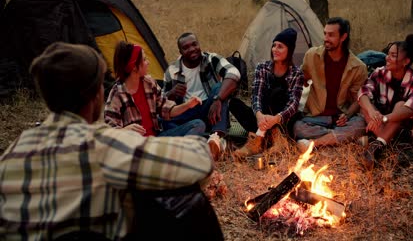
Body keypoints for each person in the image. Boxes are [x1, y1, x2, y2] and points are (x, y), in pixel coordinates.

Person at [0, 42, 219, 240]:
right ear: (95, 94)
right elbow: (200, 160)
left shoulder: (10, 155)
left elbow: (165, 109)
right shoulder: (103, 144)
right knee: (184, 200)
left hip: (154, 135)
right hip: (144, 145)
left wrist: (187, 106)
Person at [163, 32, 241, 160]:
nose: (192, 49)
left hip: (209, 109)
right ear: (180, 51)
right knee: (165, 122)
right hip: (186, 114)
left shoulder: (211, 59)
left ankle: (215, 137)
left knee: (219, 87)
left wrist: (218, 99)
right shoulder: (172, 70)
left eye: (194, 44)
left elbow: (234, 73)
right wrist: (171, 94)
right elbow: (161, 103)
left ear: (199, 44)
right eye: (186, 47)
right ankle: (213, 143)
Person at [294, 17, 368, 149]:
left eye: (331, 35)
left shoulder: (358, 67)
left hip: (340, 118)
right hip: (316, 117)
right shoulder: (312, 56)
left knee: (360, 123)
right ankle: (345, 139)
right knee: (297, 127)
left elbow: (358, 99)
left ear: (343, 37)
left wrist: (347, 115)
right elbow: (301, 81)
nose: (326, 38)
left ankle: (314, 143)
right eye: (325, 33)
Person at [358, 34, 413, 170]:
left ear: (406, 61)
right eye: (388, 54)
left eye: (393, 55)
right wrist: (373, 113)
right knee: (366, 107)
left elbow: (410, 110)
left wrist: (384, 119)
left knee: (400, 105)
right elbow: (363, 93)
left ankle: (377, 146)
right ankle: (385, 143)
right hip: (381, 125)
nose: (387, 58)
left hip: (404, 129)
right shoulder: (379, 73)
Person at [104, 41, 205, 137]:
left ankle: (179, 152)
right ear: (134, 67)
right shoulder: (117, 94)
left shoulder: (149, 83)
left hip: (156, 140)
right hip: (137, 148)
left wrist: (188, 105)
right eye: (144, 60)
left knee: (198, 124)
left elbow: (167, 110)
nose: (148, 62)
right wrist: (124, 130)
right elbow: (108, 134)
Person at [229, 28, 304, 158]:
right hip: (262, 119)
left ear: (289, 50)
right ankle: (273, 139)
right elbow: (256, 95)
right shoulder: (262, 67)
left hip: (282, 121)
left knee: (277, 92)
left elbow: (293, 104)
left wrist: (276, 119)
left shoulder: (297, 73)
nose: (275, 49)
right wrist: (259, 115)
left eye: (280, 47)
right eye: (274, 45)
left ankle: (259, 138)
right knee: (234, 103)